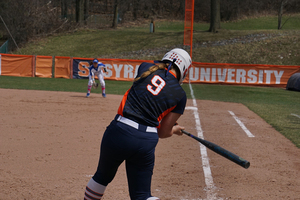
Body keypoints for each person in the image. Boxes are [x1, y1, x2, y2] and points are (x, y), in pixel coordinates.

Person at [83, 48, 192, 200]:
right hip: (145, 141)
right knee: (142, 195)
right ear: (184, 69)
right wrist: (175, 130)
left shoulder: (145, 67)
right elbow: (163, 132)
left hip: (119, 131)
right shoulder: (180, 95)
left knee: (101, 177)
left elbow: (150, 92)